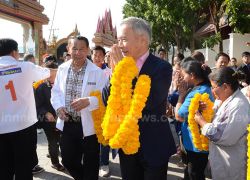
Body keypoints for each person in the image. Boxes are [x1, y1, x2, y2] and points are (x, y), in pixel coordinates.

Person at [107, 17, 176, 180]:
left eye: (124, 39)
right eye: (118, 40)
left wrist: (123, 73)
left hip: (154, 145)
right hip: (127, 144)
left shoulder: (162, 67)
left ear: (142, 40)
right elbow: (108, 98)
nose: (119, 45)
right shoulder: (119, 66)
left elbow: (149, 102)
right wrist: (116, 74)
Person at [51, 36, 107, 180]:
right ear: (68, 49)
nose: (78, 52)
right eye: (74, 48)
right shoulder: (62, 68)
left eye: (82, 49)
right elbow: (56, 92)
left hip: (89, 125)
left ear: (87, 50)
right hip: (68, 122)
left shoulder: (97, 72)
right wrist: (58, 108)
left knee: (91, 163)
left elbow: (105, 97)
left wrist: (89, 101)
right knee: (68, 160)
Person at [0, 38, 50, 180]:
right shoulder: (26, 67)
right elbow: (46, 73)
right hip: (23, 126)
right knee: (24, 167)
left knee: (4, 168)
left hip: (1, 128)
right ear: (14, 52)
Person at [194, 67, 250, 180]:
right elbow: (216, 117)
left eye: (214, 87)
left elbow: (222, 136)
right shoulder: (226, 99)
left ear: (225, 86)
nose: (212, 91)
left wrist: (202, 122)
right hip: (222, 160)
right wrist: (205, 111)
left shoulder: (238, 106)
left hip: (231, 165)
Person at [175, 59, 214, 180]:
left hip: (195, 144)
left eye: (184, 75)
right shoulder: (207, 87)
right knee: (192, 172)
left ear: (192, 75)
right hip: (200, 143)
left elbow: (179, 116)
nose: (183, 79)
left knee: (194, 174)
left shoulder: (197, 92)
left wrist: (181, 95)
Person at [35, 61, 64, 171]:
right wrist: (46, 113)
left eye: (55, 73)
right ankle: (55, 162)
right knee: (53, 142)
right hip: (48, 121)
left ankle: (66, 160)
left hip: (62, 118)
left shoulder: (62, 84)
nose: (53, 76)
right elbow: (37, 105)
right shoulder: (41, 87)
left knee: (63, 141)